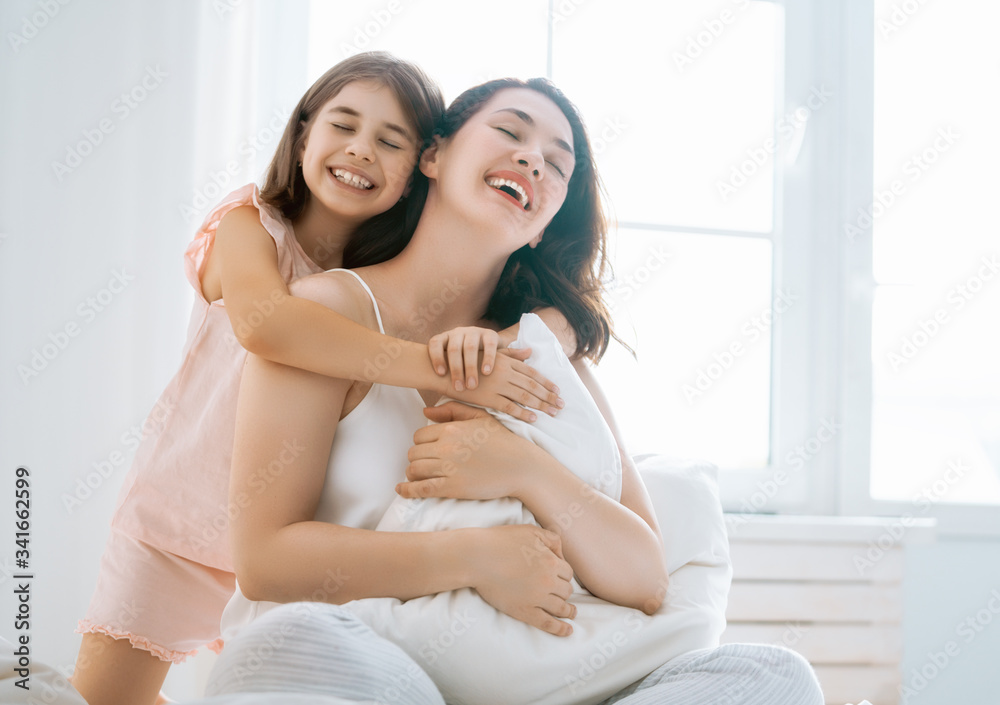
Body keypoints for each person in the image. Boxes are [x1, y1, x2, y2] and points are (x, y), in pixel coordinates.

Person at [204, 78, 826, 705]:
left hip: (544, 684)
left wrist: (524, 470)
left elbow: (644, 578)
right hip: (374, 665)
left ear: (542, 225)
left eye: (558, 165)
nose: (534, 159)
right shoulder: (327, 316)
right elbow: (264, 562)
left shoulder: (550, 357)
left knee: (773, 675)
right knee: (294, 642)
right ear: (434, 157)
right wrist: (475, 558)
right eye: (509, 131)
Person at [69, 53, 562, 705]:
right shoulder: (249, 225)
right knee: (103, 697)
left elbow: (544, 321)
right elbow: (268, 326)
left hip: (290, 526)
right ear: (303, 133)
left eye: (391, 142)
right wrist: (430, 366)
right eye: (344, 125)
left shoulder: (382, 278)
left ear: (420, 171)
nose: (361, 151)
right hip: (177, 518)